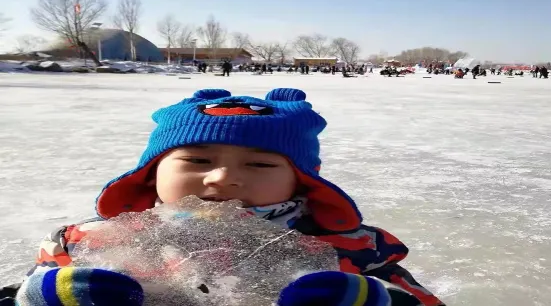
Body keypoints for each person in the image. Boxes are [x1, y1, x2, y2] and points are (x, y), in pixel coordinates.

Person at [7, 88, 445, 306]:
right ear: (151, 174)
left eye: (258, 165)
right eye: (197, 160)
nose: (222, 178)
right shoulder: (87, 243)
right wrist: (45, 296)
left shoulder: (352, 249)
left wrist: (370, 298)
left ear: (303, 182)